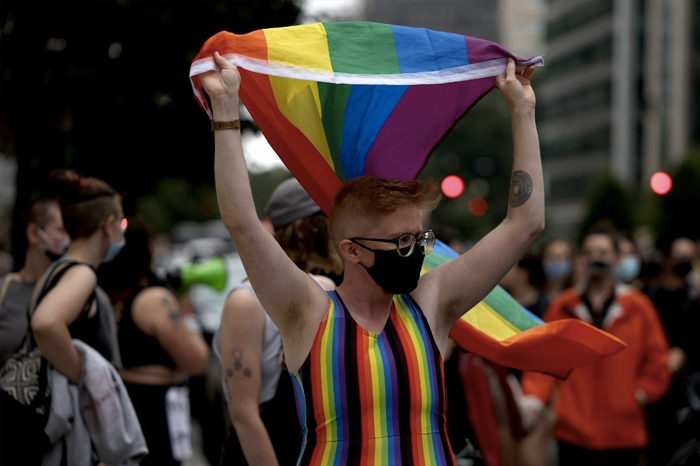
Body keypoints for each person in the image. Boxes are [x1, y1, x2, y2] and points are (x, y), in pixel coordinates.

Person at [199, 53, 543, 464]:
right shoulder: (306, 310)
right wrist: (225, 110)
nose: (415, 253)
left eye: (420, 239)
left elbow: (525, 225)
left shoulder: (430, 301)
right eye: (401, 243)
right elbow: (242, 223)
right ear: (351, 250)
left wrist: (523, 111)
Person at [2, 169, 130, 465]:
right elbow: (46, 324)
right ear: (108, 226)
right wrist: (85, 383)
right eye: (121, 222)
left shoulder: (55, 272)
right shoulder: (81, 274)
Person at [213, 177, 341, 465]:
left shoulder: (326, 290)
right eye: (328, 220)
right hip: (262, 452)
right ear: (305, 230)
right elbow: (244, 415)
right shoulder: (246, 302)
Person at [520, 227, 671, 466]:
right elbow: (543, 360)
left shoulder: (639, 308)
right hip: (572, 432)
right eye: (589, 252)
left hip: (624, 433)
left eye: (603, 251)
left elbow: (658, 360)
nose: (596, 257)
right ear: (582, 259)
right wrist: (534, 400)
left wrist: (639, 394)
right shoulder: (562, 306)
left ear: (616, 259)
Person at [97, 215, 210, 466]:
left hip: (124, 407)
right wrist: (184, 312)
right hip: (154, 411)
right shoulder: (154, 299)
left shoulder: (106, 296)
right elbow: (196, 360)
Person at [644, 236, 700, 466]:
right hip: (655, 389)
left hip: (685, 392)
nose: (682, 263)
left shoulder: (694, 297)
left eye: (688, 258)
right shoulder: (653, 296)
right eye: (679, 257)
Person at [0, 195, 70, 369]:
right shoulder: (3, 291)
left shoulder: (83, 296)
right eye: (62, 229)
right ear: (34, 234)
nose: (69, 239)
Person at [499, 250, 548, 318]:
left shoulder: (546, 306)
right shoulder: (500, 300)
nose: (501, 271)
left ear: (524, 273)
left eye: (508, 267)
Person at [539, 237, 575, 302]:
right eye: (552, 257)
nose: (558, 261)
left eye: (565, 257)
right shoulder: (531, 299)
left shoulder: (577, 297)